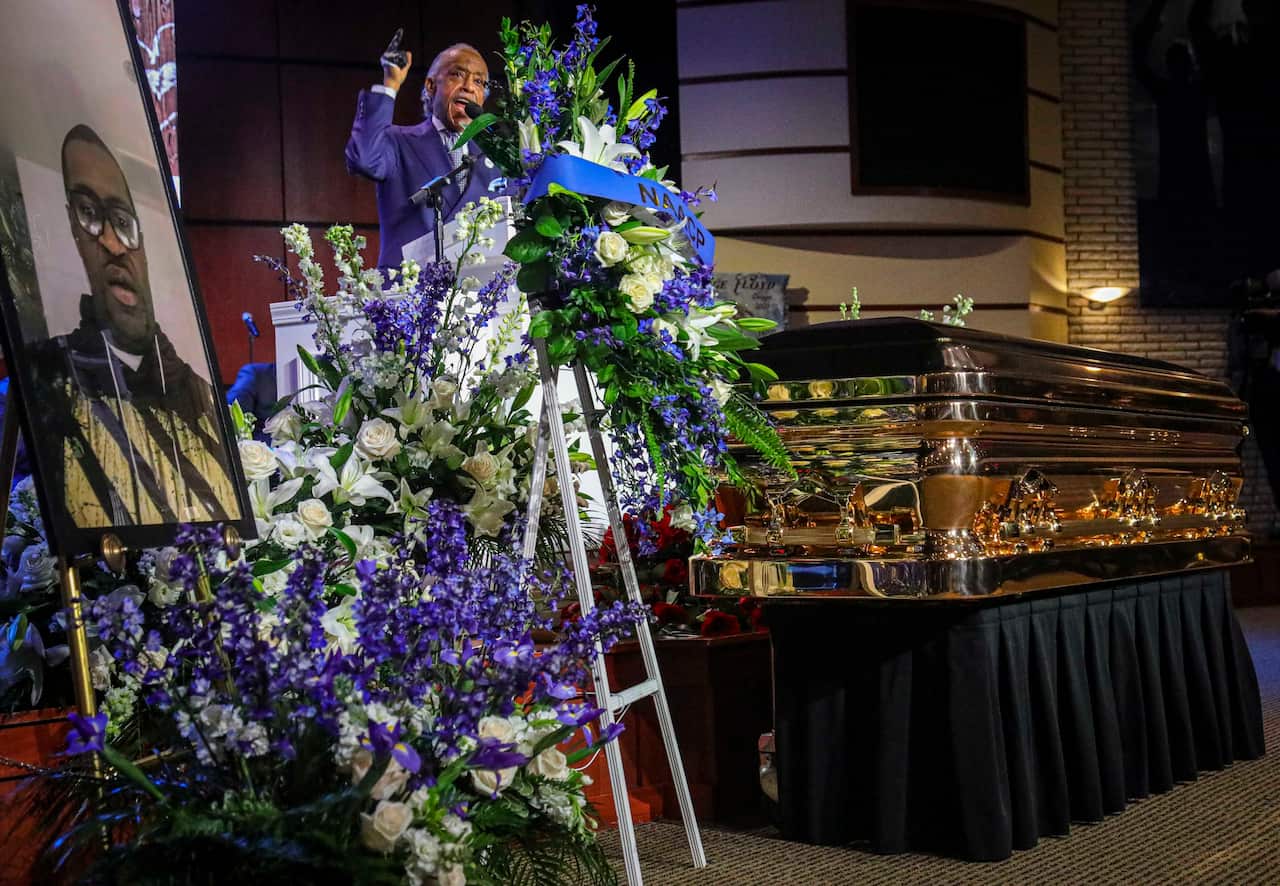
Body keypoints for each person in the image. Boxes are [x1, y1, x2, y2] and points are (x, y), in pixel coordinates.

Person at [30, 124, 240, 528]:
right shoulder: (49, 379)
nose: (112, 243)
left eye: (122, 221)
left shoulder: (199, 393)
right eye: (89, 214)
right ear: (73, 231)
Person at [346, 42, 508, 269]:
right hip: (408, 294)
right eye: (458, 74)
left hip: (476, 294)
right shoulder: (398, 142)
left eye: (479, 81)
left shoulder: (497, 158)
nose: (469, 87)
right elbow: (364, 158)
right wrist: (390, 84)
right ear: (431, 86)